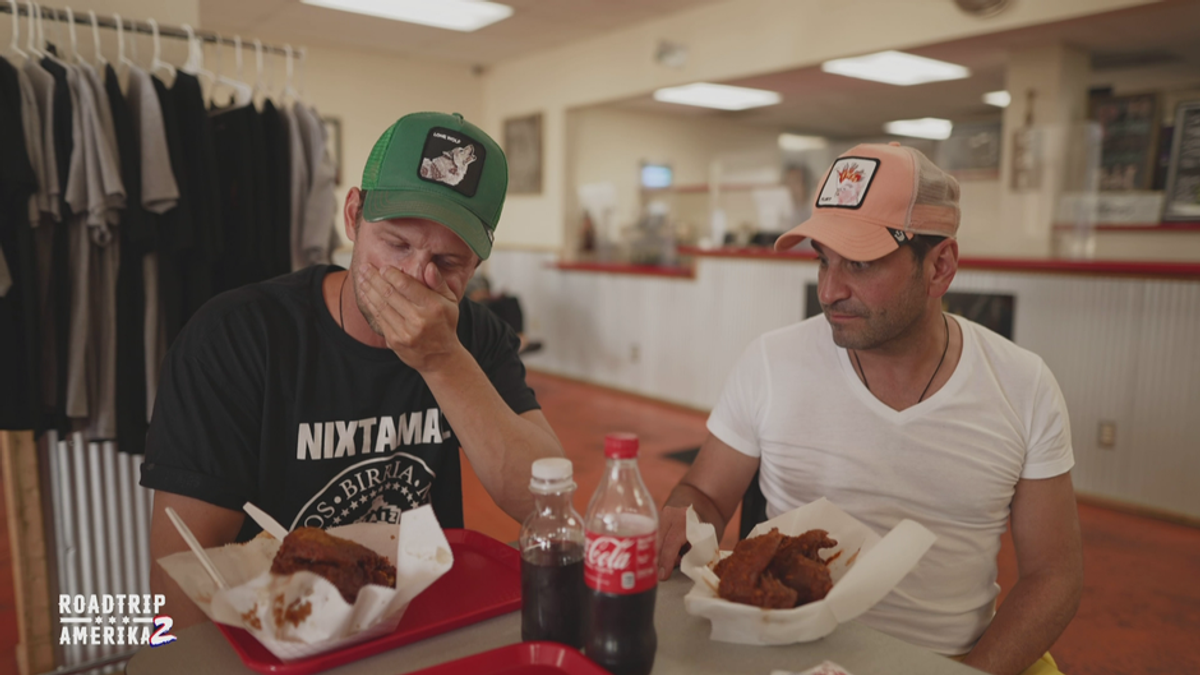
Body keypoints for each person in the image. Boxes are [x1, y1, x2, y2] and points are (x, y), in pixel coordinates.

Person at [657, 143, 1082, 675]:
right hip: (790, 651)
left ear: (939, 266)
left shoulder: (1023, 385)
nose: (830, 290)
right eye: (823, 260)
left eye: (859, 263)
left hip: (954, 658)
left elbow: (1053, 574)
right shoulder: (771, 361)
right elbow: (704, 491)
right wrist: (685, 521)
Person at [141, 112, 564, 629]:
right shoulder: (234, 338)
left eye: (449, 263)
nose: (415, 278)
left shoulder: (475, 336)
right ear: (353, 215)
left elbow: (545, 507)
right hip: (273, 630)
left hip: (414, 622)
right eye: (397, 245)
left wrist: (443, 360)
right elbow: (181, 573)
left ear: (476, 266)